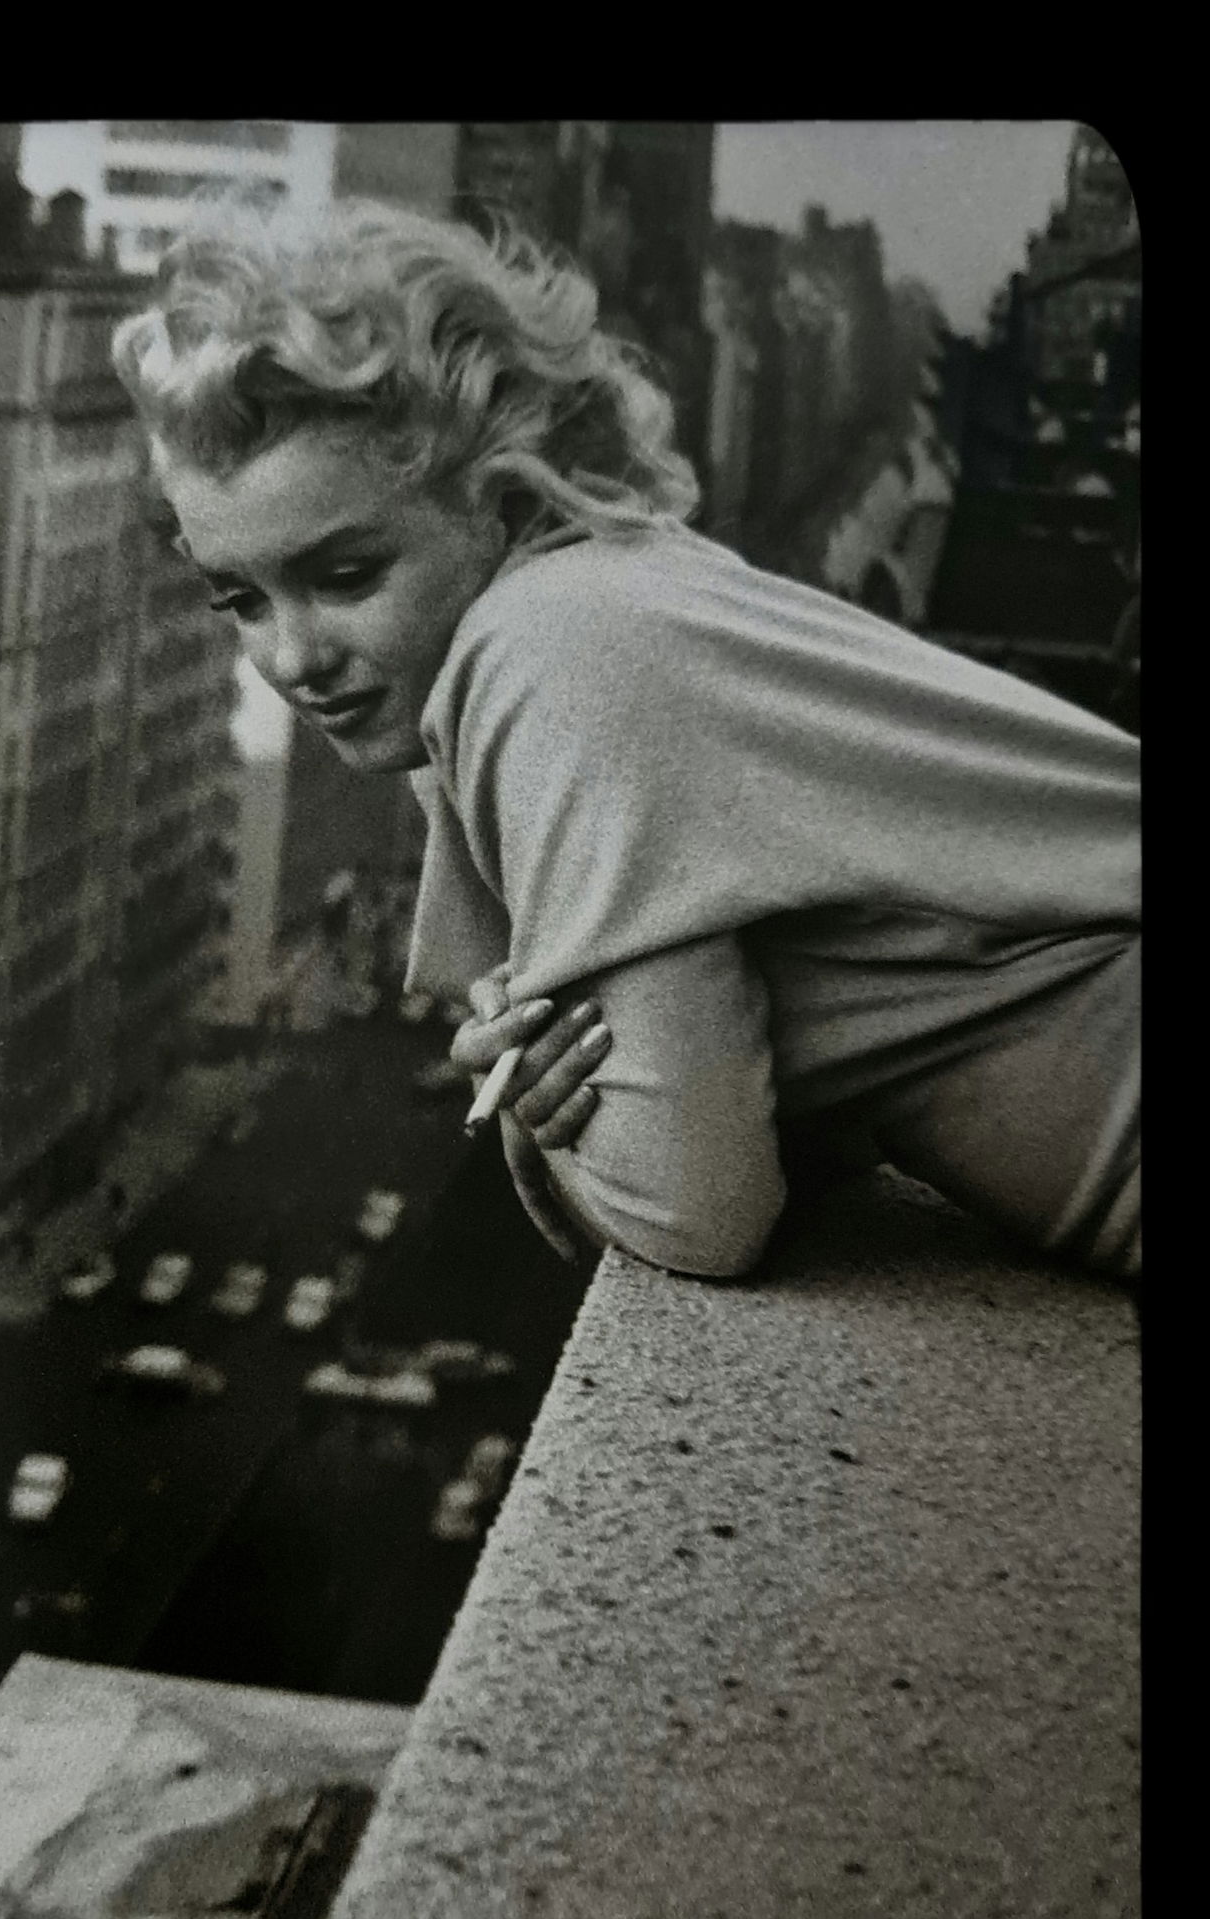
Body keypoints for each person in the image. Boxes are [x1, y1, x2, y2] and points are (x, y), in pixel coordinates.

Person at [111, 199, 1140, 1286]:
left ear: (499, 504)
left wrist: (536, 1100)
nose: (293, 657)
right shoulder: (592, 598)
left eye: (347, 575)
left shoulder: (553, 645)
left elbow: (694, 1213)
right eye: (241, 597)